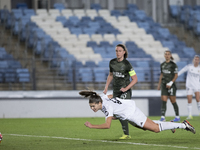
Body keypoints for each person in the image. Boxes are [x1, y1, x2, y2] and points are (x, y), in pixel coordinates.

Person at [79, 90, 196, 136]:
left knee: (155, 129)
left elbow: (107, 125)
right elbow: (110, 95)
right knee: (146, 127)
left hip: (132, 113)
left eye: (93, 106)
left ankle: (183, 125)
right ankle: (170, 124)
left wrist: (92, 126)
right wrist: (119, 110)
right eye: (91, 107)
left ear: (99, 103)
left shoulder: (107, 106)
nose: (92, 108)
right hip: (128, 113)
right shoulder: (102, 98)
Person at [103, 44, 138, 139]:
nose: (118, 53)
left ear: (124, 52)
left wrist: (126, 88)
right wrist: (106, 87)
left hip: (125, 92)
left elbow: (135, 79)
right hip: (116, 91)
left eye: (119, 51)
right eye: (116, 51)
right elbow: (110, 75)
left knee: (121, 112)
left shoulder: (127, 64)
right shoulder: (112, 63)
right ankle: (127, 132)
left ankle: (126, 134)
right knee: (120, 114)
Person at [157, 49, 180, 122]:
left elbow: (176, 75)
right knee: (164, 100)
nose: (167, 55)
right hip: (164, 84)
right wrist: (159, 84)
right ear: (164, 55)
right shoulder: (162, 65)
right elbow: (161, 74)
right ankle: (163, 117)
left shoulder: (173, 65)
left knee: (173, 101)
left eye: (168, 54)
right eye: (166, 54)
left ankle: (177, 116)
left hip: (171, 85)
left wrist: (171, 83)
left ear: (170, 55)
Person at [178, 55, 200, 119]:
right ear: (193, 60)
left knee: (198, 99)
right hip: (189, 86)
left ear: (199, 61)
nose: (196, 61)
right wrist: (176, 75)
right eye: (195, 59)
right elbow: (181, 71)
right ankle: (190, 115)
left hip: (197, 85)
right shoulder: (189, 67)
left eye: (197, 60)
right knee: (189, 100)